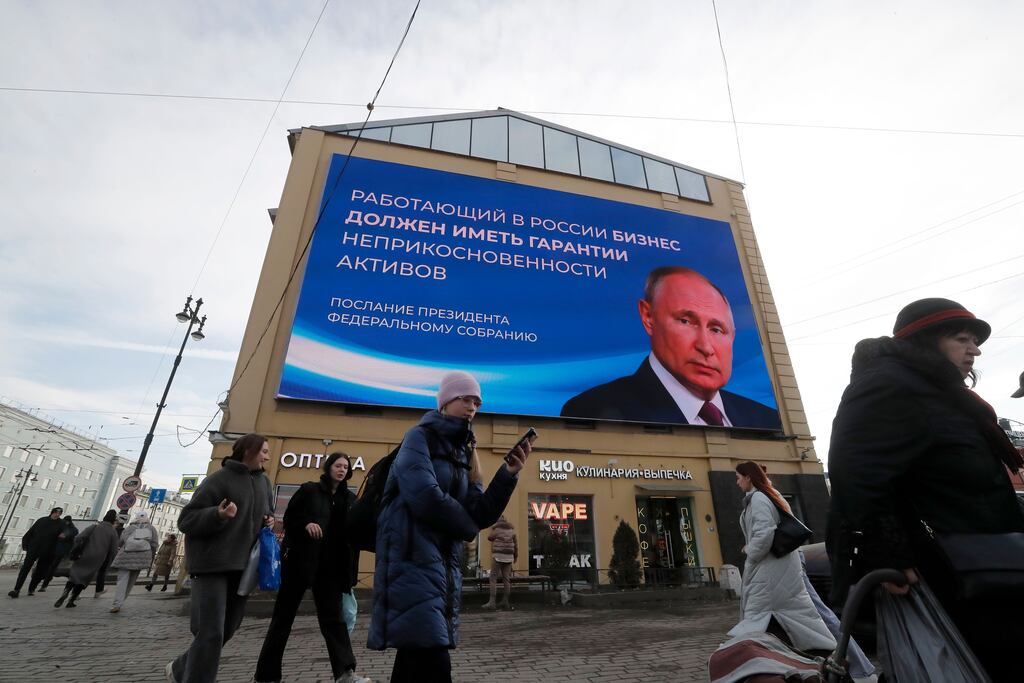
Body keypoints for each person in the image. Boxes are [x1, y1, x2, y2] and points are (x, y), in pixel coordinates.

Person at [827, 298, 1024, 682]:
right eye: (962, 339)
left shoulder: (943, 393)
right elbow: (857, 469)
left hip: (984, 557)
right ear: (927, 340)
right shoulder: (890, 384)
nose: (976, 349)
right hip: (943, 565)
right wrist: (886, 551)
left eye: (975, 340)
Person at [368, 371, 531, 683]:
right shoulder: (419, 437)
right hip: (410, 561)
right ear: (445, 401)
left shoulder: (466, 451)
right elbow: (423, 495)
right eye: (465, 399)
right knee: (433, 657)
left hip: (442, 568)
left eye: (477, 402)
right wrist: (467, 528)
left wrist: (508, 473)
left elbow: (480, 511)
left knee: (417, 656)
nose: (472, 407)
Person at [561, 266, 781, 429]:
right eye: (685, 321)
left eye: (716, 329)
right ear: (648, 317)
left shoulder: (766, 420)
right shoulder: (590, 410)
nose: (705, 347)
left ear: (732, 336)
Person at [167, 433, 275, 683]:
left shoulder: (264, 483)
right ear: (248, 451)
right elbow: (187, 519)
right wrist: (217, 515)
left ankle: (180, 669)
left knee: (227, 629)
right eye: (264, 451)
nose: (268, 455)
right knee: (210, 631)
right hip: (212, 565)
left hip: (244, 567)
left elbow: (264, 513)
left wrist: (267, 519)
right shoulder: (218, 480)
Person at [255, 452, 369, 683]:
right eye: (338, 465)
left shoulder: (349, 499)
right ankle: (266, 675)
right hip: (299, 563)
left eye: (346, 467)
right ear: (328, 468)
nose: (342, 470)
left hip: (330, 569)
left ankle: (345, 673)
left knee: (334, 620)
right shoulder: (309, 490)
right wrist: (306, 524)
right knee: (282, 620)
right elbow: (289, 519)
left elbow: (354, 537)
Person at [728, 461, 835, 652]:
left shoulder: (759, 499)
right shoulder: (767, 495)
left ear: (748, 477)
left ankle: (757, 659)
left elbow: (763, 535)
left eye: (738, 478)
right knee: (799, 616)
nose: (737, 483)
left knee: (756, 618)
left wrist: (750, 550)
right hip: (778, 568)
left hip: (769, 572)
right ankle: (824, 655)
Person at [54, 510, 120, 608]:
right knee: (84, 579)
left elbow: (79, 537)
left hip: (84, 555)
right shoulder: (113, 532)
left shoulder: (94, 527)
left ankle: (66, 591)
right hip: (98, 559)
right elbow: (114, 549)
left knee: (74, 575)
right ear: (113, 520)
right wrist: (114, 562)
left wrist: (77, 548)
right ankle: (71, 600)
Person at [109, 508, 158, 613]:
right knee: (131, 582)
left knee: (122, 580)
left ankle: (117, 603)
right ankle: (121, 603)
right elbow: (154, 544)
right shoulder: (151, 529)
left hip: (126, 556)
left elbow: (121, 541)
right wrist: (151, 556)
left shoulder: (130, 527)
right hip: (142, 558)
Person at [8, 506, 64, 598]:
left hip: (47, 552)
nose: (57, 514)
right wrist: (25, 545)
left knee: (39, 571)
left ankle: (31, 589)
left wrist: (64, 537)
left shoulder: (61, 524)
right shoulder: (42, 520)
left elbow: (66, 535)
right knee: (25, 569)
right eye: (56, 512)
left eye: (59, 513)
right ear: (52, 512)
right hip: (34, 548)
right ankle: (16, 590)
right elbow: (31, 532)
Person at [482, 516, 517, 610]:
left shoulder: (497, 529)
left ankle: (492, 602)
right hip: (509, 558)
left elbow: (489, 537)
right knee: (506, 579)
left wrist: (494, 530)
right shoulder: (512, 530)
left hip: (498, 556)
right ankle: (505, 602)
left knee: (493, 578)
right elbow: (516, 545)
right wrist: (515, 557)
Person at [38, 515, 79, 592]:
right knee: (50, 568)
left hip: (60, 552)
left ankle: (44, 585)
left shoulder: (70, 529)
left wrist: (65, 536)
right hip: (56, 551)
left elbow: (72, 534)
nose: (66, 522)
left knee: (51, 568)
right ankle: (44, 584)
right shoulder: (64, 528)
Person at [94, 513, 125, 597]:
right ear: (113, 522)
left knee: (89, 572)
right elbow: (114, 548)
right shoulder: (112, 531)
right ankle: (98, 591)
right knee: (101, 573)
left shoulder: (96, 527)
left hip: (92, 553)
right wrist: (115, 560)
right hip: (105, 556)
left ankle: (74, 591)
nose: (116, 525)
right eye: (116, 524)